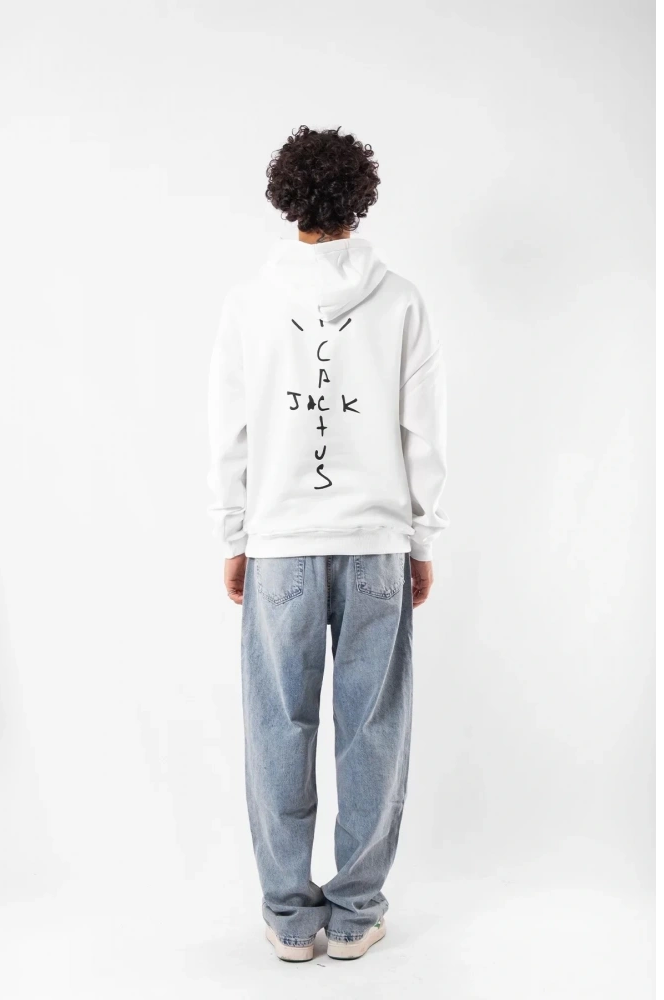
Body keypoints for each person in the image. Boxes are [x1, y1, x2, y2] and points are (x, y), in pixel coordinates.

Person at [207, 125, 448, 962]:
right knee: (372, 727)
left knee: (278, 726)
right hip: (377, 543)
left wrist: (234, 533)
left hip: (279, 544)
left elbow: (229, 435)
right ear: (360, 198)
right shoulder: (401, 300)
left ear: (287, 198)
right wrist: (421, 538)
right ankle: (355, 913)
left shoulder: (249, 303)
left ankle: (287, 915)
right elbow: (424, 433)